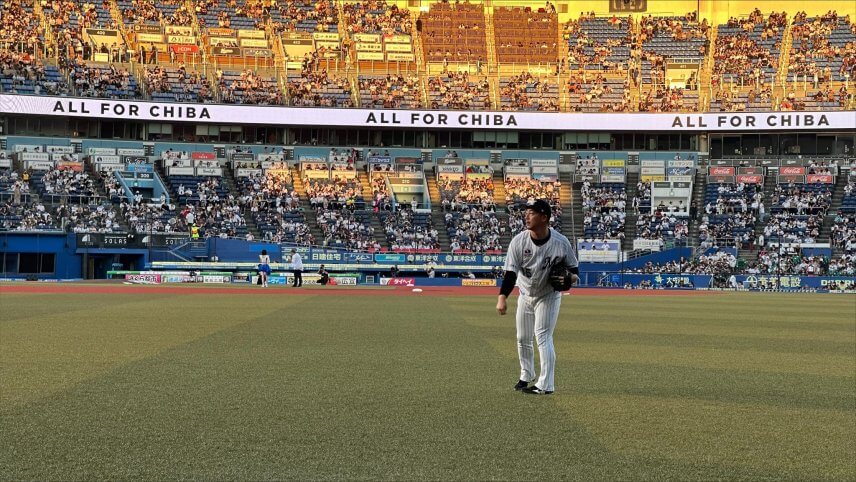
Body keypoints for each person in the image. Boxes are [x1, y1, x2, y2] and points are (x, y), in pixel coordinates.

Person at [496, 199, 579, 395]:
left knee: (542, 336)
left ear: (544, 217)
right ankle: (526, 375)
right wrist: (502, 297)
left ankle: (546, 384)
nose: (526, 215)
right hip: (525, 293)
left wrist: (569, 278)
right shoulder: (519, 241)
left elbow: (574, 270)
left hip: (548, 295)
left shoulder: (560, 242)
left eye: (531, 212)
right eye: (526, 212)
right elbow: (510, 273)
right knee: (522, 337)